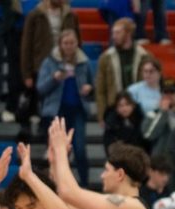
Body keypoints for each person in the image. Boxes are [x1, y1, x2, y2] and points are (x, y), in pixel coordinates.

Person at [37, 29, 94, 186]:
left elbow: (92, 85)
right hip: (56, 111)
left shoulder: (84, 62)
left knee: (80, 150)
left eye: (72, 43)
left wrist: (89, 89)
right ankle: (55, 184)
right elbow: (40, 88)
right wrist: (54, 79)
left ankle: (84, 186)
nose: (69, 46)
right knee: (57, 152)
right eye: (66, 43)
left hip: (77, 110)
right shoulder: (50, 62)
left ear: (77, 44)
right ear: (60, 44)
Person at [21, 0, 81, 122]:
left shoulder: (71, 15)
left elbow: (78, 42)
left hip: (65, 64)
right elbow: (26, 46)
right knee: (40, 103)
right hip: (41, 65)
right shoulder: (35, 15)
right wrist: (26, 73)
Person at [95, 18, 149, 123]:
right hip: (114, 109)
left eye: (118, 33)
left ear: (128, 34)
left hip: (138, 109)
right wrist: (101, 114)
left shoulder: (144, 56)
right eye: (113, 33)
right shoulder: (106, 57)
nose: (113, 37)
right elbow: (100, 90)